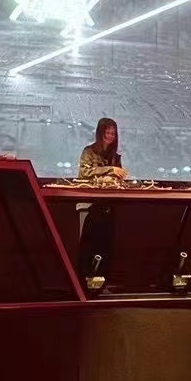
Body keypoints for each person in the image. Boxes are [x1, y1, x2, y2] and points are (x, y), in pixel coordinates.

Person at [77, 118, 126, 283]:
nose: (111, 136)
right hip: (91, 204)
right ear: (100, 133)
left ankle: (103, 280)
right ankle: (84, 279)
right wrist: (110, 169)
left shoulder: (115, 156)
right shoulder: (89, 151)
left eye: (113, 133)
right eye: (108, 132)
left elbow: (118, 178)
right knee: (89, 244)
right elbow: (84, 173)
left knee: (107, 245)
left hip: (109, 204)